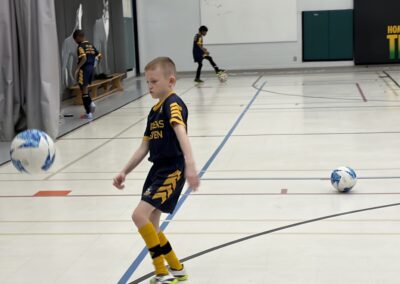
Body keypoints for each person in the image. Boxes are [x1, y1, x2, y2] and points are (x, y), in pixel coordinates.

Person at [113, 57, 200, 284]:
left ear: (170, 81)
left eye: (153, 81)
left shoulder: (173, 104)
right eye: (147, 82)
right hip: (157, 170)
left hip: (172, 170)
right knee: (152, 224)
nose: (149, 86)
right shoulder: (154, 111)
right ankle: (177, 269)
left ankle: (161, 272)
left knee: (138, 215)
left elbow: (181, 131)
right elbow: (144, 146)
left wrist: (190, 165)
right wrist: (124, 171)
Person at [73, 29, 102, 119]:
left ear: (78, 37)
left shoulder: (80, 46)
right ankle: (91, 104)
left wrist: (77, 69)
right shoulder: (91, 45)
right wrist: (95, 65)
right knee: (84, 89)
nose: (75, 41)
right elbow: (100, 56)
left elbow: (84, 58)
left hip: (84, 70)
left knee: (83, 91)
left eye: (75, 39)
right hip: (91, 70)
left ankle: (88, 112)